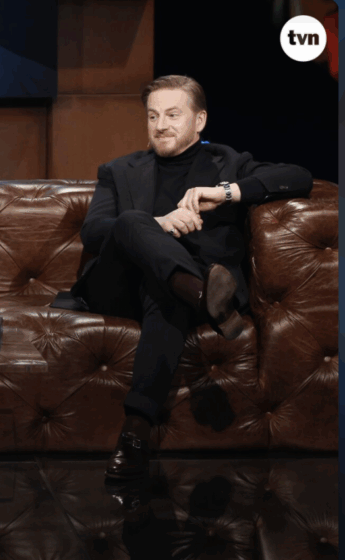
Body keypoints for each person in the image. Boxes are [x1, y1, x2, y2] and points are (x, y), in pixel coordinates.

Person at [53, 75, 312, 480]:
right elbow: (95, 232)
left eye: (173, 115)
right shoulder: (119, 170)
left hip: (171, 289)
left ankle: (135, 433)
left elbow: (299, 177)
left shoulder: (228, 163)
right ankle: (202, 297)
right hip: (120, 286)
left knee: (166, 293)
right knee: (132, 220)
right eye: (153, 116)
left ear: (199, 120)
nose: (160, 125)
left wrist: (225, 193)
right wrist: (157, 223)